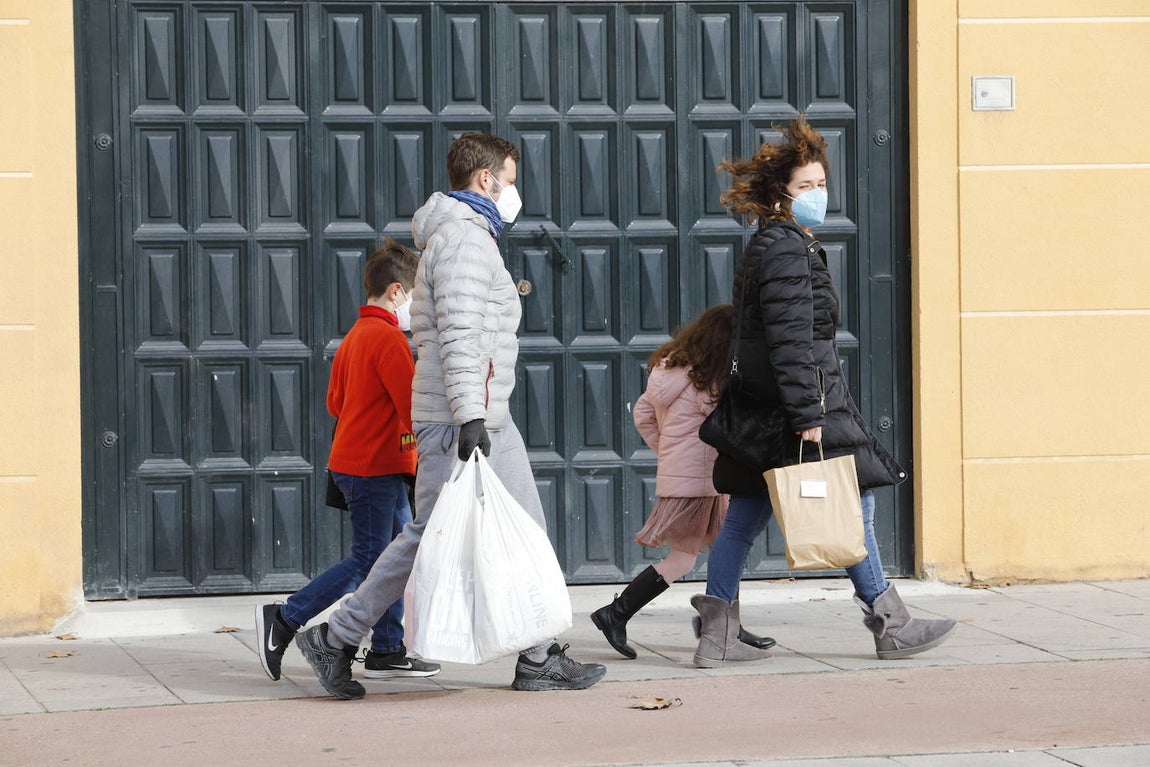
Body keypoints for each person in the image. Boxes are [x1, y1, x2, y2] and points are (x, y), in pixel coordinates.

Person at [294, 132, 607, 699]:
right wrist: (469, 416)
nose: (515, 192)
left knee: (524, 531)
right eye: (510, 180)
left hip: (484, 411)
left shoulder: (470, 236)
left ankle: (537, 654)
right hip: (464, 416)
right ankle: (336, 637)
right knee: (426, 536)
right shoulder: (464, 240)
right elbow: (461, 332)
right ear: (485, 179)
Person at [692, 116, 956, 667]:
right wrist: (807, 413)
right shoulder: (787, 248)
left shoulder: (775, 243)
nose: (818, 194)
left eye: (821, 183)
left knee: (744, 516)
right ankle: (891, 622)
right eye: (805, 186)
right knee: (853, 500)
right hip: (799, 404)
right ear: (781, 195)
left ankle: (716, 636)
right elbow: (790, 339)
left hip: (766, 408)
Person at [255, 239, 440, 683]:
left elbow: (334, 403)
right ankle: (285, 618)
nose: (415, 307)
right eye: (414, 296)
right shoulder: (391, 340)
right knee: (371, 562)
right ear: (397, 292)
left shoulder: (354, 337)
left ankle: (387, 648)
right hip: (375, 468)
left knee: (394, 556)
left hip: (357, 465)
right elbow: (410, 409)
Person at [590, 304, 776, 659]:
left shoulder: (670, 370)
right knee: (686, 559)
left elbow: (643, 413)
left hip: (688, 477)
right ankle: (616, 613)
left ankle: (724, 627)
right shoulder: (709, 382)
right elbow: (730, 425)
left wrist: (669, 451)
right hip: (701, 482)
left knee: (725, 549)